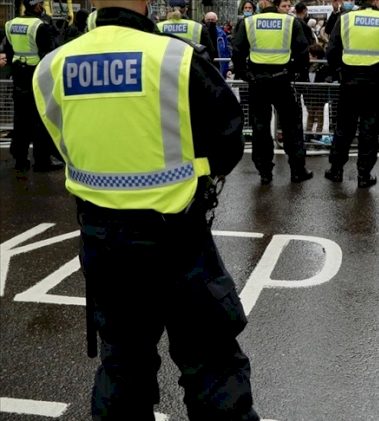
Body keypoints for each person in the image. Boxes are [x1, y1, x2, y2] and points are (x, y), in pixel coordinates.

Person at [31, 0, 261, 420]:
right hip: (176, 239)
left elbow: (57, 143)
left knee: (122, 368)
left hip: (102, 239)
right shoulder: (173, 57)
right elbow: (227, 139)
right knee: (213, 368)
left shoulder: (52, 66)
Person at [324, 0, 379, 187]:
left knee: (344, 129)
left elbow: (331, 54)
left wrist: (342, 70)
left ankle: (336, 170)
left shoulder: (345, 19)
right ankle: (364, 175)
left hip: (350, 83)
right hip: (376, 85)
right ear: (377, 2)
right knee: (370, 131)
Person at [232, 0, 313, 184]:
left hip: (257, 82)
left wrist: (245, 74)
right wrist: (295, 72)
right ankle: (297, 170)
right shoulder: (290, 22)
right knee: (292, 126)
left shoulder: (249, 22)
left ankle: (264, 171)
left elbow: (237, 51)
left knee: (260, 126)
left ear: (262, 4)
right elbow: (302, 50)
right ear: (277, 5)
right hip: (282, 79)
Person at [2, 0, 63, 172]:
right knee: (40, 121)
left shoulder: (11, 24)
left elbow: (8, 50)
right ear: (36, 6)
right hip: (36, 78)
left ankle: (20, 160)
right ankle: (42, 161)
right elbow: (49, 54)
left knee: (21, 120)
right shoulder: (39, 26)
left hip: (18, 77)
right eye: (41, 3)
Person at [205, 11, 231, 77]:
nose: (210, 21)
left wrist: (229, 68)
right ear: (205, 20)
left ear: (216, 21)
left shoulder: (222, 34)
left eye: (212, 20)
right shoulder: (201, 32)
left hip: (220, 66)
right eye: (208, 20)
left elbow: (227, 51)